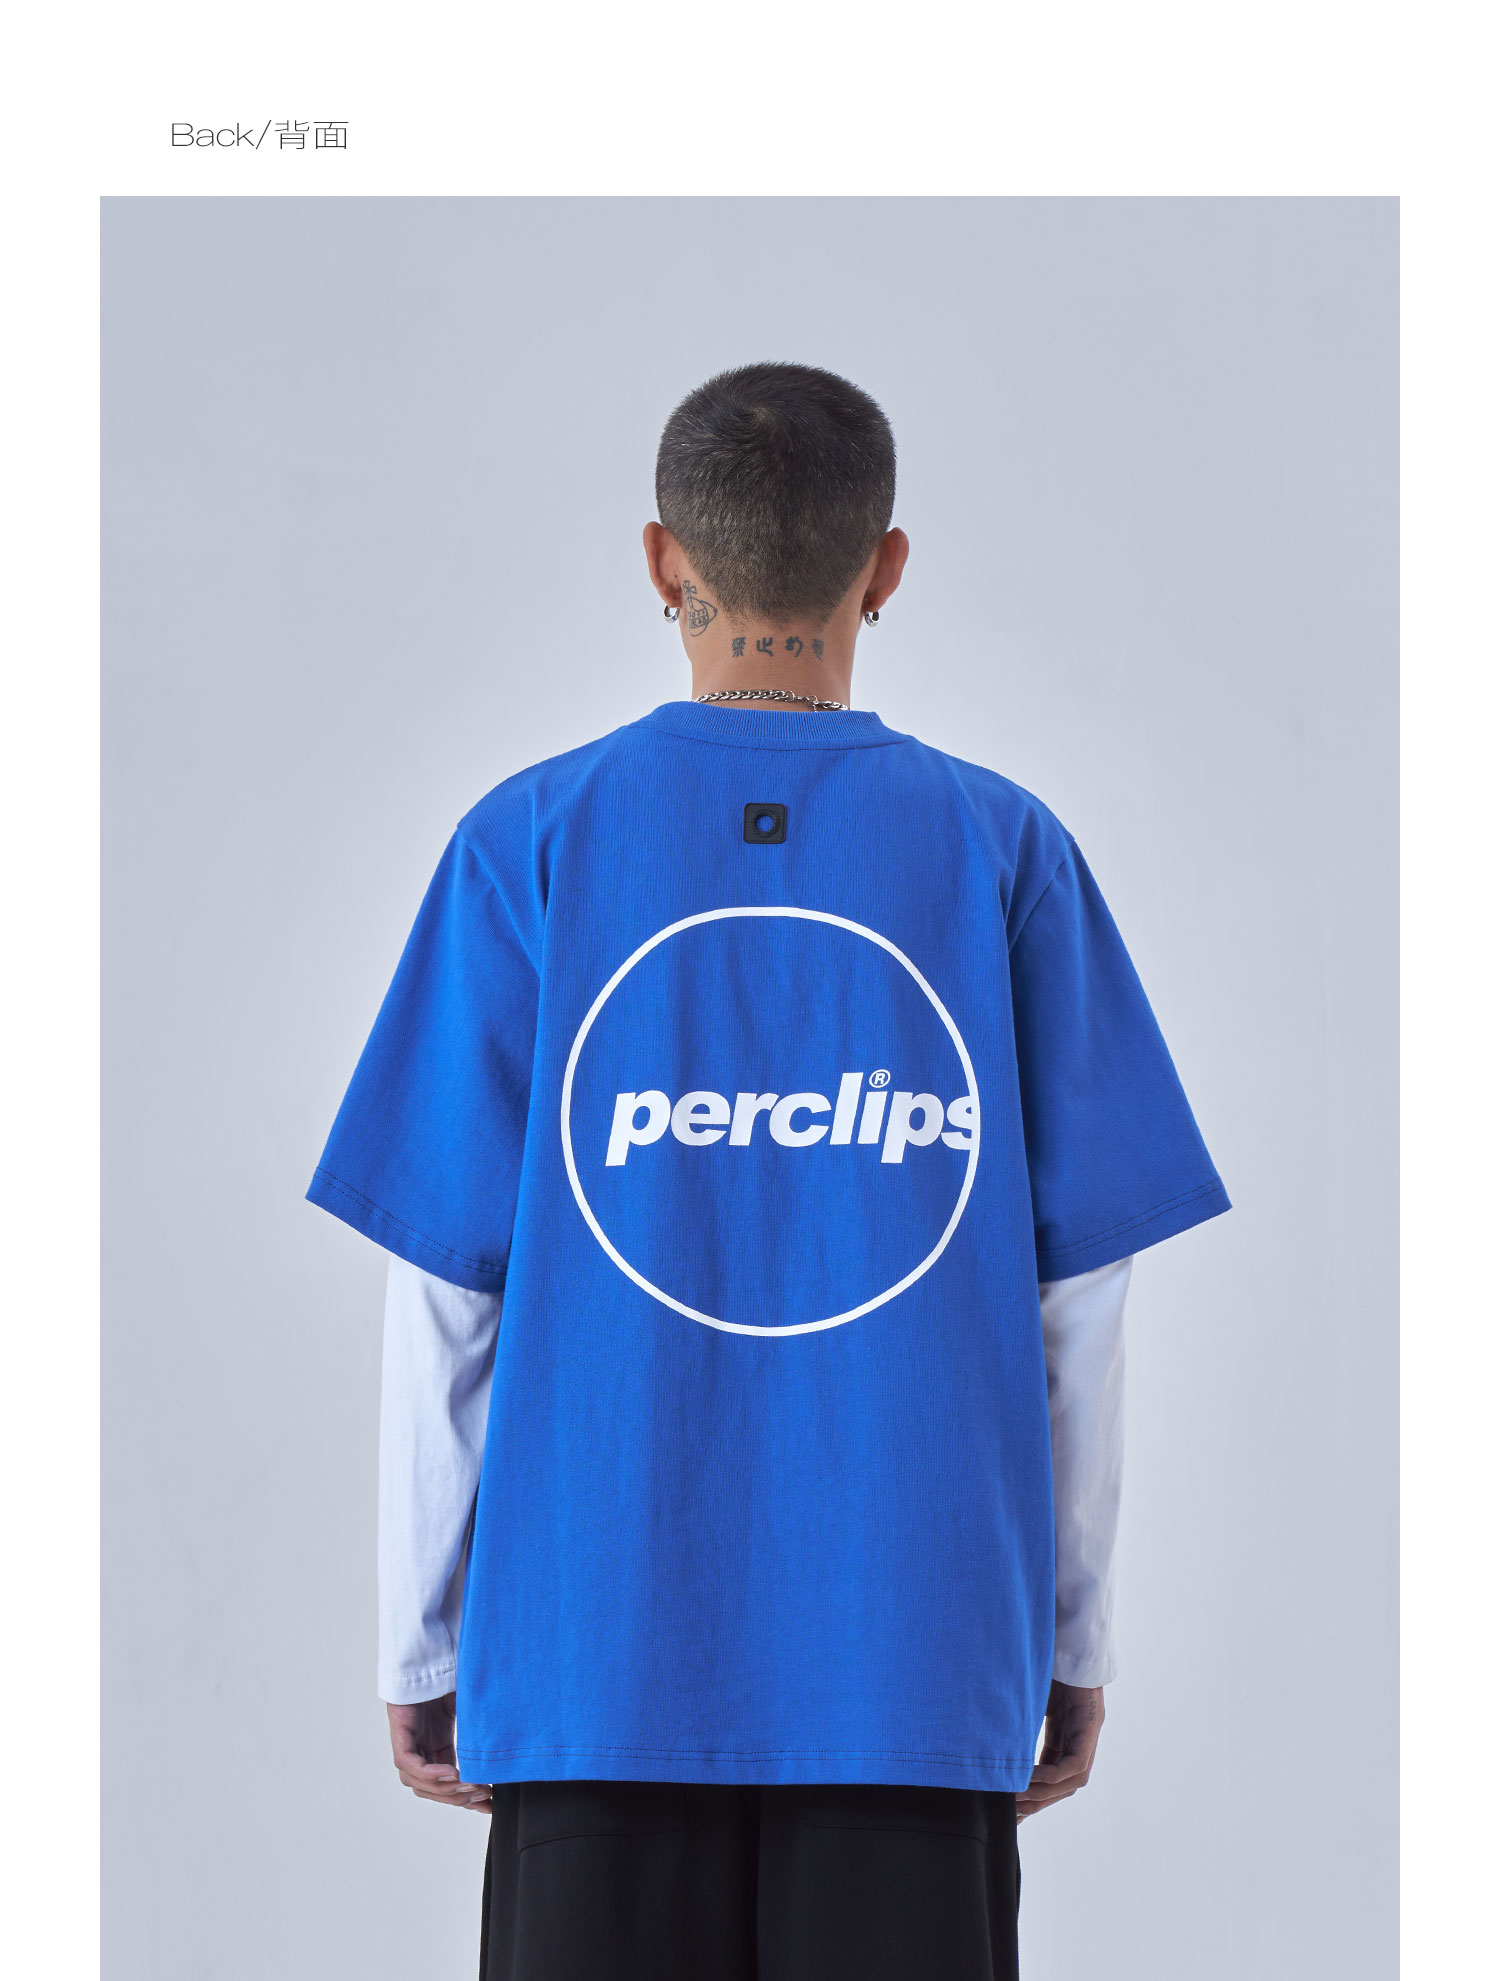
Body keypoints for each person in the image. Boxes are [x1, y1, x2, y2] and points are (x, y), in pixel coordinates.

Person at [307, 361, 1231, 1979]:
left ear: (663, 560)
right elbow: (1081, 1298)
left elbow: (445, 1289)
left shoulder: (528, 843)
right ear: (885, 566)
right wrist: (1069, 1633)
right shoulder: (1001, 849)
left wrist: (422, 1636)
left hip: (592, 1652)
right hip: (916, 1650)